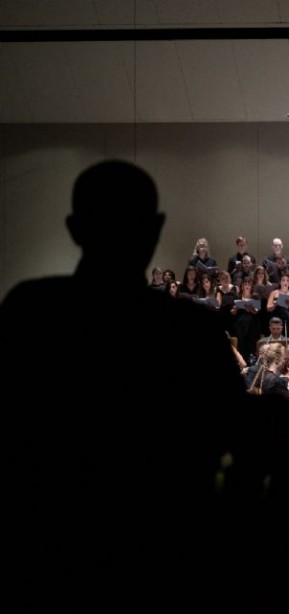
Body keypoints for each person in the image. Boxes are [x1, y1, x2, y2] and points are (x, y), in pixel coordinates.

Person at [0, 160, 255, 610]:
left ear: (74, 228)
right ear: (155, 228)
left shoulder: (28, 312)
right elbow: (235, 450)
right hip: (169, 560)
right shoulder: (191, 332)